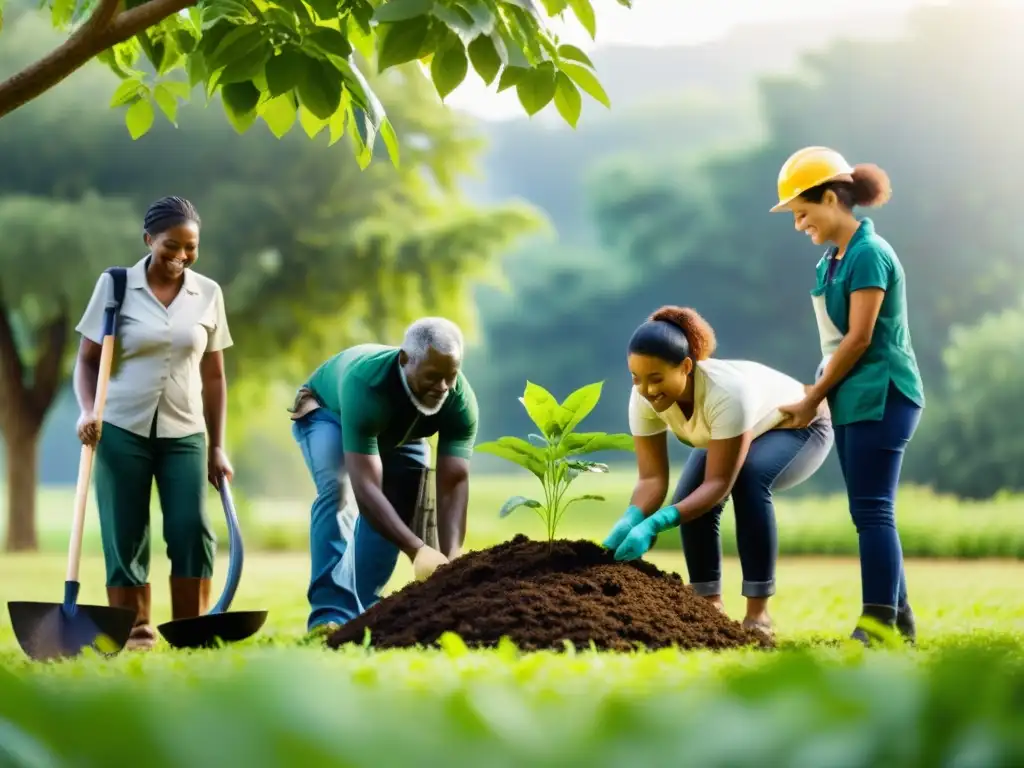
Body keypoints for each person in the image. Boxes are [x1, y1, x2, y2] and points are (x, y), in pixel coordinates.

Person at [768, 146, 925, 646]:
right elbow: (834, 343)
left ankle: (876, 625)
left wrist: (813, 396)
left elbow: (859, 338)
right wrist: (817, 391)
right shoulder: (830, 262)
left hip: (885, 394)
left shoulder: (870, 254)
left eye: (802, 213)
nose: (798, 225)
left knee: (874, 510)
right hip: (852, 398)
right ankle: (899, 621)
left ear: (832, 197)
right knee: (867, 511)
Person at [602, 306, 834, 637]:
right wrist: (632, 517)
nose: (647, 390)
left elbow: (719, 484)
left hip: (799, 424)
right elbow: (652, 480)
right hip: (736, 432)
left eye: (656, 379)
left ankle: (759, 615)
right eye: (636, 378)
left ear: (685, 367)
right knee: (687, 500)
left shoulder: (725, 393)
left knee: (748, 479)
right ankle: (709, 606)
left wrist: (658, 522)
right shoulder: (642, 397)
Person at [73, 196, 234, 651]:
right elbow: (85, 362)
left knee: (191, 528)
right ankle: (135, 633)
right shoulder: (115, 285)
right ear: (148, 240)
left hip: (186, 432)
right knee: (125, 533)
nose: (180, 257)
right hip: (120, 428)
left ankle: (190, 630)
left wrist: (218, 446)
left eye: (190, 247)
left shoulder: (209, 294)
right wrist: (89, 410)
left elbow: (215, 374)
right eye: (170, 246)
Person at [288, 317, 479, 637]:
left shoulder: (459, 401)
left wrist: (452, 559)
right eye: (434, 376)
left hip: (402, 433)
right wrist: (417, 549)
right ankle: (330, 614)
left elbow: (453, 481)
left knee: (403, 500)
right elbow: (366, 488)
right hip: (328, 414)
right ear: (405, 361)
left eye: (451, 376)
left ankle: (362, 610)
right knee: (339, 490)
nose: (443, 387)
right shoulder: (367, 383)